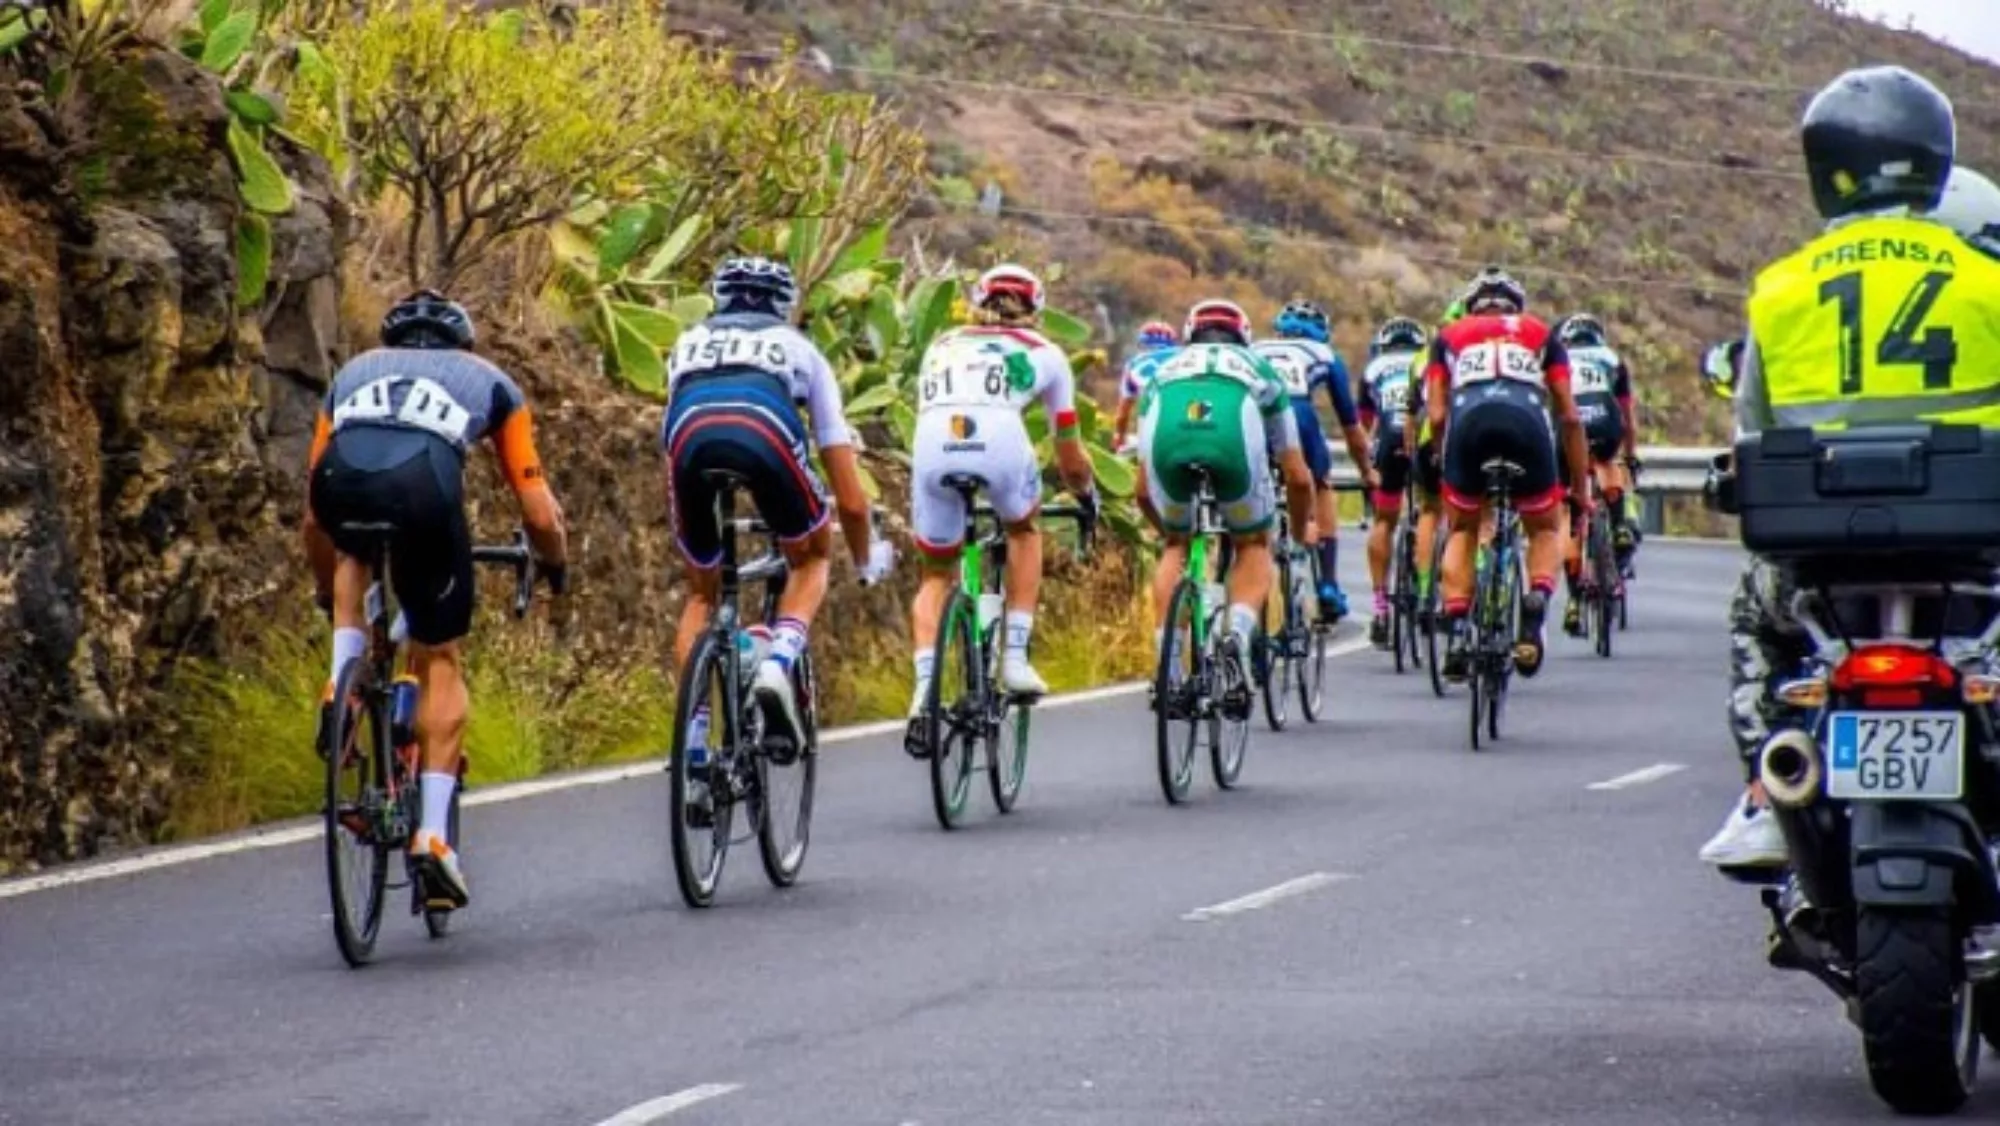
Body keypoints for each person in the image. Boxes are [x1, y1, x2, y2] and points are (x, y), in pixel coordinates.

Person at [1700, 71, 2000, 868]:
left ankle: (1770, 793)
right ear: (1935, 162)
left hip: (1826, 559)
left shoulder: (1781, 291)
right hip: (1972, 551)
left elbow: (1753, 430)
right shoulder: (1989, 280)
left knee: (1756, 616)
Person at [304, 289, 570, 909]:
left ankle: (341, 682)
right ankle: (431, 837)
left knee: (351, 554)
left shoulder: (351, 374)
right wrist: (554, 564)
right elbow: (537, 510)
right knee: (440, 656)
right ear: (462, 344)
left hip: (341, 483)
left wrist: (324, 593)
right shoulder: (492, 382)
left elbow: (313, 520)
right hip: (424, 487)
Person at [663, 257, 895, 780]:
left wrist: (695, 538)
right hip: (765, 430)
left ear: (719, 299)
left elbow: (669, 443)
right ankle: (778, 662)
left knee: (701, 593)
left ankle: (693, 742)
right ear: (785, 306)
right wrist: (864, 559)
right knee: (811, 557)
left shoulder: (686, 343)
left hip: (688, 440)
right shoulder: (801, 349)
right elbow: (850, 498)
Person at [905, 264, 1098, 732]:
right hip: (999, 441)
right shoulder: (1046, 353)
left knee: (936, 574)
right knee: (1023, 530)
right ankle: (1014, 657)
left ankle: (923, 691)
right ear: (1036, 309)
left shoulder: (941, 344)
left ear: (978, 302)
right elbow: (1069, 455)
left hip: (933, 442)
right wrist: (1086, 494)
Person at [1138, 299, 1317, 703]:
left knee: (1176, 547)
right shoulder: (1261, 369)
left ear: (1189, 335)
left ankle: (1167, 666)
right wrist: (1297, 534)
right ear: (1244, 337)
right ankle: (1236, 635)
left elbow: (1141, 489)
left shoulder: (1161, 371)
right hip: (1232, 436)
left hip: (1170, 432)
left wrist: (1170, 531)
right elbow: (1297, 474)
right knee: (1252, 544)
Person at [1427, 267, 1591, 682]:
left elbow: (1437, 415)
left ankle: (1458, 631)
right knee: (1544, 528)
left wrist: (1444, 460)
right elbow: (1570, 417)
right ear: (1516, 308)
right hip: (1526, 425)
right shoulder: (1540, 333)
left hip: (1470, 426)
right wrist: (1579, 489)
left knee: (1463, 529)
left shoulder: (1448, 337)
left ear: (1471, 307)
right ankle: (1535, 604)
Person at [1252, 300, 1375, 622]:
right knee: (1320, 485)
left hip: (1251, 419)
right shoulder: (1324, 355)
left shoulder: (1255, 349)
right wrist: (1367, 471)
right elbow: (1351, 427)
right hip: (1299, 416)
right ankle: (1328, 585)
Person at [1554, 313, 1640, 635]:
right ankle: (1619, 525)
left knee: (1568, 512)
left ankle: (1574, 600)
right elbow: (1627, 418)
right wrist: (1630, 456)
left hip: (1569, 425)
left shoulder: (1558, 360)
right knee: (1606, 461)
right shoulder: (1612, 359)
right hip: (1604, 418)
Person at [1358, 316, 1428, 647]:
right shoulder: (1427, 360)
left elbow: (1365, 423)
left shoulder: (1374, 368)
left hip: (1388, 440)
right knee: (1433, 511)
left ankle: (1380, 606)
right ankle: (1428, 594)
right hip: (1422, 437)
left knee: (1384, 520)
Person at [1112, 320, 1179, 452]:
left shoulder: (1134, 364)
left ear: (1142, 343)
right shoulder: (1187, 357)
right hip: (1187, 424)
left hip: (1152, 430)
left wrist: (1119, 438)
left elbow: (1123, 414)